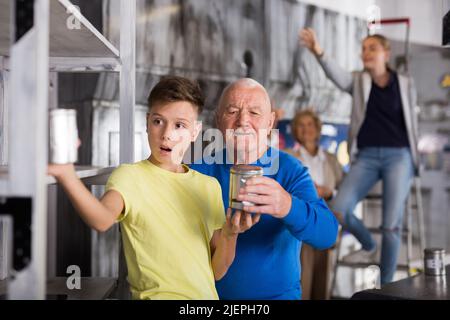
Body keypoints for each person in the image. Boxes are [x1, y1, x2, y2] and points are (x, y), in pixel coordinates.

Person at [48, 76, 259, 300]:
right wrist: (66, 174)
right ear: (148, 122)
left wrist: (230, 233)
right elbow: (101, 219)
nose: (167, 134)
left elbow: (216, 272)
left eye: (179, 125)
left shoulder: (209, 186)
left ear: (195, 132)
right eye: (159, 121)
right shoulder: (130, 176)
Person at [190, 78, 338, 300]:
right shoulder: (196, 172)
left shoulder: (290, 170)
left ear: (270, 123)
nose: (243, 121)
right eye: (232, 111)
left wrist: (287, 205)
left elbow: (327, 235)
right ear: (218, 120)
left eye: (255, 113)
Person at [299, 28, 419, 284]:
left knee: (390, 226)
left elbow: (413, 123)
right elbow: (338, 76)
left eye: (372, 48)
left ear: (386, 53)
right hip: (366, 156)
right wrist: (318, 51)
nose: (366, 53)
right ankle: (367, 244)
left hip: (399, 156)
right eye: (363, 48)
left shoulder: (405, 82)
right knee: (339, 209)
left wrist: (414, 159)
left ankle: (385, 286)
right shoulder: (359, 81)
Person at [285, 109, 343, 300]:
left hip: (327, 221)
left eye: (310, 124)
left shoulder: (332, 160)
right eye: (301, 125)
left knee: (322, 282)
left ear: (318, 129)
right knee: (302, 280)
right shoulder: (288, 156)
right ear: (294, 130)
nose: (306, 129)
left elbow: (344, 191)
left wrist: (329, 192)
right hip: (299, 224)